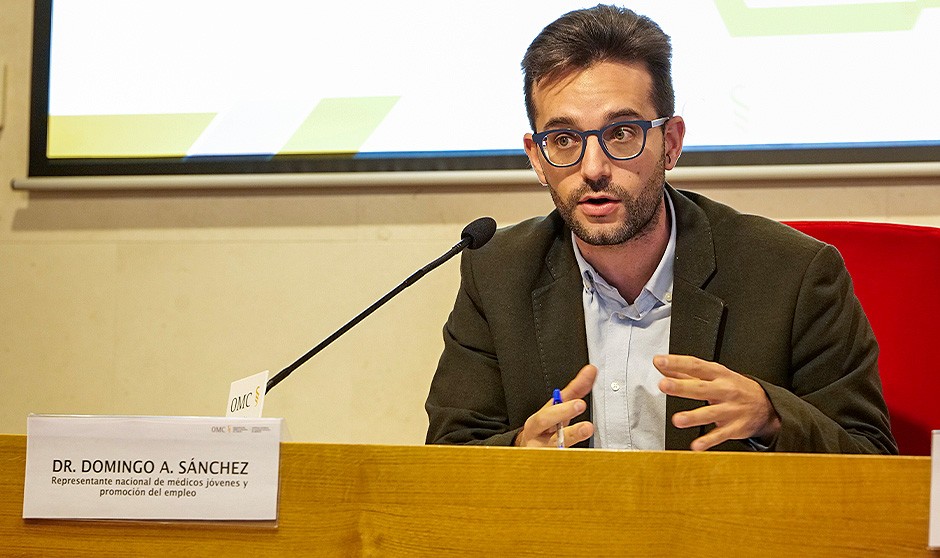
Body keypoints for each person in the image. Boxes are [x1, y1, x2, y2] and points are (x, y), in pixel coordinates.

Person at [425, 4, 896, 453]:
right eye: (564, 139)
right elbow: (449, 453)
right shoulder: (497, 273)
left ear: (670, 143)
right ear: (536, 157)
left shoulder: (792, 273)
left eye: (621, 134)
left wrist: (773, 419)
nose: (593, 168)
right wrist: (520, 452)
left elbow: (870, 456)